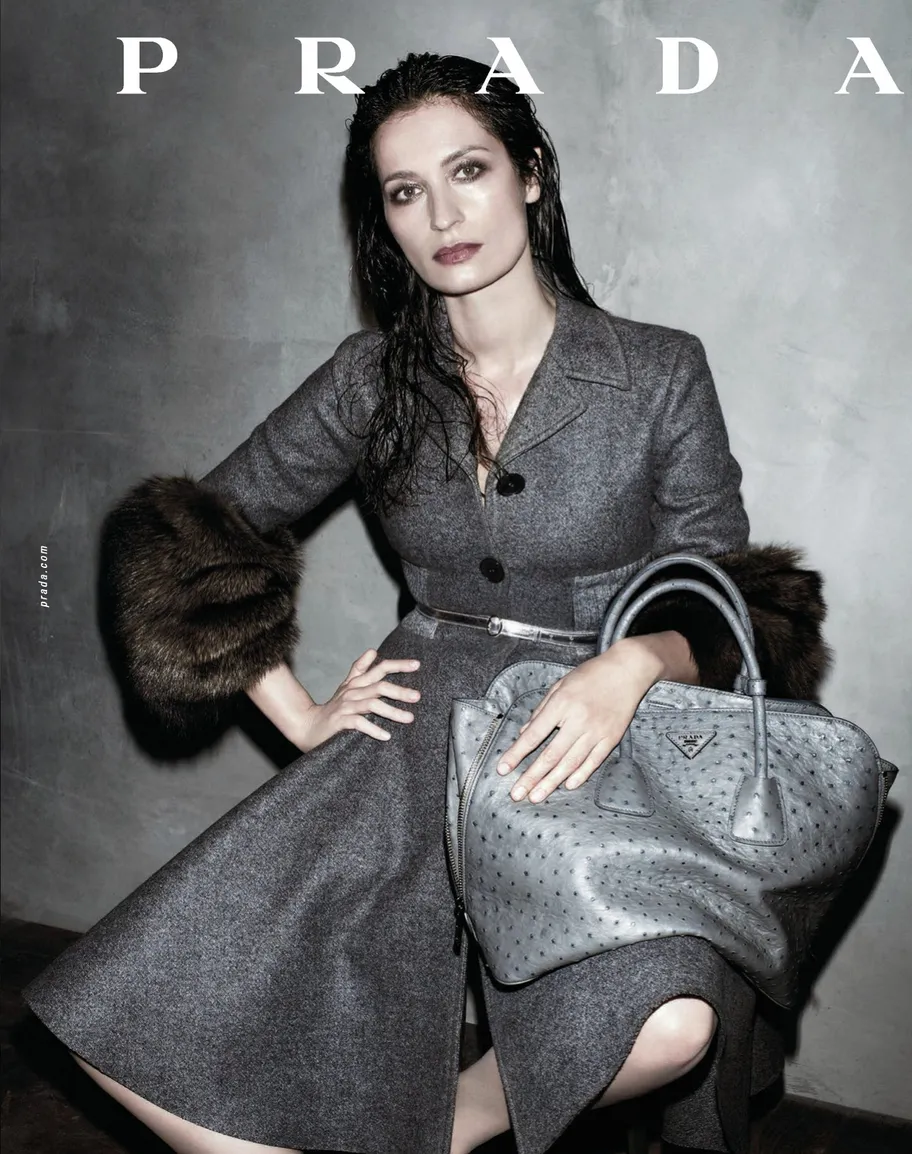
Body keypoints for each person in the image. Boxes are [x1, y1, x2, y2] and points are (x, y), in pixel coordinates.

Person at [21, 52, 830, 1154]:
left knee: (671, 1021)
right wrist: (298, 713)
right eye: (406, 191)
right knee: (121, 1013)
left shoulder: (656, 370)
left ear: (529, 174)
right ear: (385, 219)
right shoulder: (372, 378)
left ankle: (437, 1134)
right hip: (410, 734)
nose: (443, 215)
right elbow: (182, 535)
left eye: (469, 170)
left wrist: (633, 664)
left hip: (594, 740)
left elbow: (733, 597)